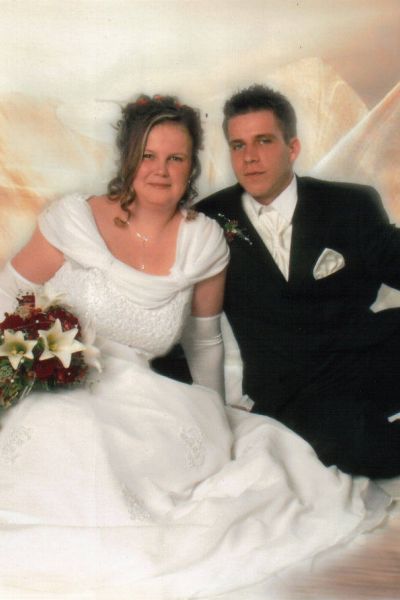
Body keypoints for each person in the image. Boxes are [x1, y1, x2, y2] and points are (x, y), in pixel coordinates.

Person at [0, 94, 391, 599]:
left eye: (176, 158)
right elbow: (9, 290)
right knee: (68, 429)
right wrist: (21, 352)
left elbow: (205, 341)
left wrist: (214, 415)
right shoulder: (76, 219)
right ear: (128, 158)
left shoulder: (203, 238)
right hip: (60, 376)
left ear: (192, 166)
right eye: (148, 155)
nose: (160, 170)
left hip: (146, 390)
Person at [195, 84, 400, 479]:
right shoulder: (208, 220)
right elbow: (184, 320)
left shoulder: (350, 204)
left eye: (264, 141)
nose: (249, 157)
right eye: (238, 145)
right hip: (293, 390)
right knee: (363, 450)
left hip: (371, 354)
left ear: (293, 148)